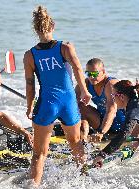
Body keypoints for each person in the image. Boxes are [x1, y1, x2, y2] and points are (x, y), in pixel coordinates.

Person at [23, 5, 91, 185]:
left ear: (36, 30)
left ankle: (33, 186)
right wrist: (84, 91)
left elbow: (30, 85)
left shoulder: (30, 55)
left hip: (47, 104)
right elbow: (77, 69)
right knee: (76, 144)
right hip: (68, 102)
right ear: (53, 26)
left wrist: (29, 106)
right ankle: (85, 182)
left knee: (39, 154)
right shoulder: (66, 48)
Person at [75, 58, 139, 142]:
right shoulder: (85, 84)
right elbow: (72, 105)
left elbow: (111, 109)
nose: (91, 77)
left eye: (94, 73)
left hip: (125, 123)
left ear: (103, 72)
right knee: (79, 107)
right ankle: (83, 138)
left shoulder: (111, 84)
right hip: (102, 121)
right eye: (88, 73)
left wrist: (101, 132)